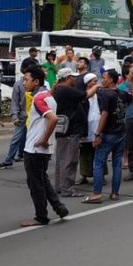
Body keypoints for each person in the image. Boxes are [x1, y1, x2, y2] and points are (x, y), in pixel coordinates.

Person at [19, 66, 69, 227]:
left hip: (35, 148)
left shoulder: (39, 98)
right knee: (43, 179)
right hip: (43, 149)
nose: (24, 82)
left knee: (35, 184)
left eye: (26, 79)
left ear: (36, 81)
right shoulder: (48, 96)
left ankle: (41, 216)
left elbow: (53, 119)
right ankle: (59, 207)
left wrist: (43, 139)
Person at [84, 69, 131, 204]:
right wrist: (131, 83)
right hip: (121, 132)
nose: (101, 80)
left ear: (111, 80)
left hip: (108, 133)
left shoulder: (105, 94)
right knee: (117, 163)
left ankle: (96, 193)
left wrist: (98, 133)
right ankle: (115, 193)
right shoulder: (122, 93)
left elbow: (104, 114)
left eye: (104, 77)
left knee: (98, 163)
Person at [53, 68, 98, 197]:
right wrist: (96, 86)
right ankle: (67, 188)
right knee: (69, 160)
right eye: (73, 77)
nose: (75, 79)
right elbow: (86, 95)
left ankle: (60, 186)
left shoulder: (59, 89)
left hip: (64, 130)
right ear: (67, 78)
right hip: (70, 130)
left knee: (62, 159)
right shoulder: (66, 90)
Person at [0, 72, 28, 169]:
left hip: (35, 118)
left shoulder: (41, 86)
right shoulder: (19, 84)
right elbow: (15, 102)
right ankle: (9, 160)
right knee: (16, 138)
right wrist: (15, 116)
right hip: (23, 116)